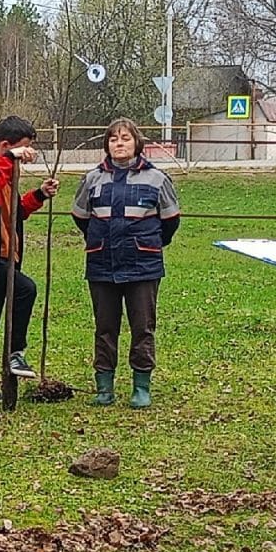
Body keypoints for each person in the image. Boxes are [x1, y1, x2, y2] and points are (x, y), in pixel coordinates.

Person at [69, 117, 179, 407]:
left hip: (143, 264)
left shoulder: (157, 179)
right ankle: (104, 387)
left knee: (142, 326)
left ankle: (141, 386)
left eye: (126, 138)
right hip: (102, 263)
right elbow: (81, 217)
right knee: (105, 327)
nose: (119, 143)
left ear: (137, 143)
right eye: (114, 139)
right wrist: (100, 239)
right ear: (107, 145)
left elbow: (170, 222)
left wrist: (147, 244)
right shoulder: (92, 178)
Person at [0, 114, 58, 392]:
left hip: (7, 254)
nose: (28, 156)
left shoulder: (8, 168)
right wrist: (10, 158)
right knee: (25, 289)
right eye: (25, 149)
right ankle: (16, 352)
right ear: (6, 145)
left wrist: (39, 194)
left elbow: (14, 213)